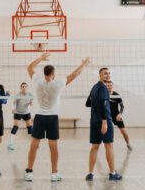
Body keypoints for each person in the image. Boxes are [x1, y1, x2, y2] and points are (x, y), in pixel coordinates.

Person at [24, 52, 90, 182]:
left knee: (33, 145)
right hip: (52, 118)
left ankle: (29, 172)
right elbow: (75, 74)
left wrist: (41, 58)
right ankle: (54, 174)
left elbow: (29, 68)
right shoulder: (58, 84)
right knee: (53, 146)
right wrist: (84, 64)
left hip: (39, 117)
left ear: (44, 73)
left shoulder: (37, 81)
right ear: (53, 74)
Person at [85, 68, 122, 182]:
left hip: (94, 121)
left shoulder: (94, 87)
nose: (108, 75)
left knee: (94, 147)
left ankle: (90, 174)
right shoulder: (103, 88)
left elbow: (88, 103)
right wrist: (104, 121)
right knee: (109, 146)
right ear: (100, 74)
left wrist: (96, 108)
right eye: (105, 73)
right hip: (103, 121)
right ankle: (112, 173)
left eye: (109, 73)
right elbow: (103, 104)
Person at [106, 81, 132, 151]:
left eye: (110, 85)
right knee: (105, 131)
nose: (108, 87)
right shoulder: (103, 95)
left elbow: (122, 106)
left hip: (116, 116)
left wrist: (120, 114)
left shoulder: (116, 95)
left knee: (123, 131)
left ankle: (128, 144)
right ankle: (99, 146)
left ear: (112, 86)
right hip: (107, 116)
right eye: (107, 85)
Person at [8, 82, 33, 151]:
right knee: (15, 127)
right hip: (18, 112)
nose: (24, 88)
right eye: (23, 86)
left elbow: (31, 101)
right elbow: (14, 103)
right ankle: (10, 143)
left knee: (30, 128)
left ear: (27, 87)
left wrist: (30, 103)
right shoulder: (18, 95)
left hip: (26, 112)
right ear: (21, 88)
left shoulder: (30, 94)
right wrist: (13, 109)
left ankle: (34, 144)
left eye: (25, 86)